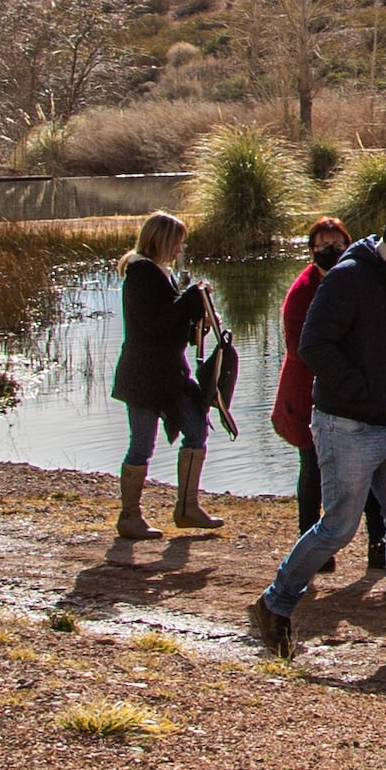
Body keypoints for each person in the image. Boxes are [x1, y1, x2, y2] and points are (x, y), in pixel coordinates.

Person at [251, 209, 386, 662]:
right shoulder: (348, 278)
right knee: (339, 526)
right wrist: (362, 391)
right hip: (347, 424)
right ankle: (274, 602)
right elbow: (313, 345)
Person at [109, 213, 229, 550]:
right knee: (142, 444)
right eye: (177, 241)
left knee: (196, 430)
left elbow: (171, 325)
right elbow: (156, 324)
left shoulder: (159, 274)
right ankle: (130, 516)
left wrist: (197, 309)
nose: (180, 248)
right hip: (145, 377)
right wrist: (191, 299)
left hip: (169, 374)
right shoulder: (141, 277)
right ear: (162, 241)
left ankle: (187, 508)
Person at [271, 211, 348, 549]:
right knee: (313, 466)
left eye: (337, 244)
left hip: (343, 389)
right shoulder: (302, 292)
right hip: (305, 392)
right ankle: (309, 543)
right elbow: (298, 348)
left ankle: (376, 544)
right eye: (323, 245)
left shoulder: (354, 281)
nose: (331, 249)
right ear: (311, 250)